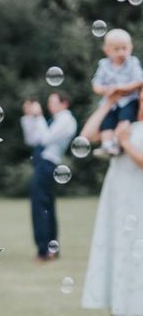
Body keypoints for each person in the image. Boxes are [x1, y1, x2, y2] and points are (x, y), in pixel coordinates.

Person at [81, 90, 143, 314]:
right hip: (117, 201)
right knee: (118, 252)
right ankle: (120, 306)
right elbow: (87, 135)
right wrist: (109, 102)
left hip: (139, 201)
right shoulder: (122, 123)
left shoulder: (125, 133)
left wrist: (125, 143)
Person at [20, 92, 77, 261]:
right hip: (42, 164)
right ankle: (51, 248)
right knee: (46, 206)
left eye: (53, 101)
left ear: (64, 103)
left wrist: (38, 117)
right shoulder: (54, 121)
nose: (49, 104)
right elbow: (31, 140)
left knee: (40, 206)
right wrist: (29, 117)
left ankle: (44, 250)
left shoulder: (66, 119)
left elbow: (45, 139)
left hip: (47, 164)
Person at [91, 29, 143, 158]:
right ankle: (107, 145)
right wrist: (104, 90)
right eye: (116, 49)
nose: (121, 53)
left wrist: (120, 88)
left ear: (130, 48)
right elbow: (96, 85)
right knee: (106, 122)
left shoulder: (132, 63)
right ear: (107, 50)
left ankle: (117, 143)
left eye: (124, 48)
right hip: (111, 103)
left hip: (129, 100)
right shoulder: (103, 65)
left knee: (125, 119)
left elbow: (139, 82)